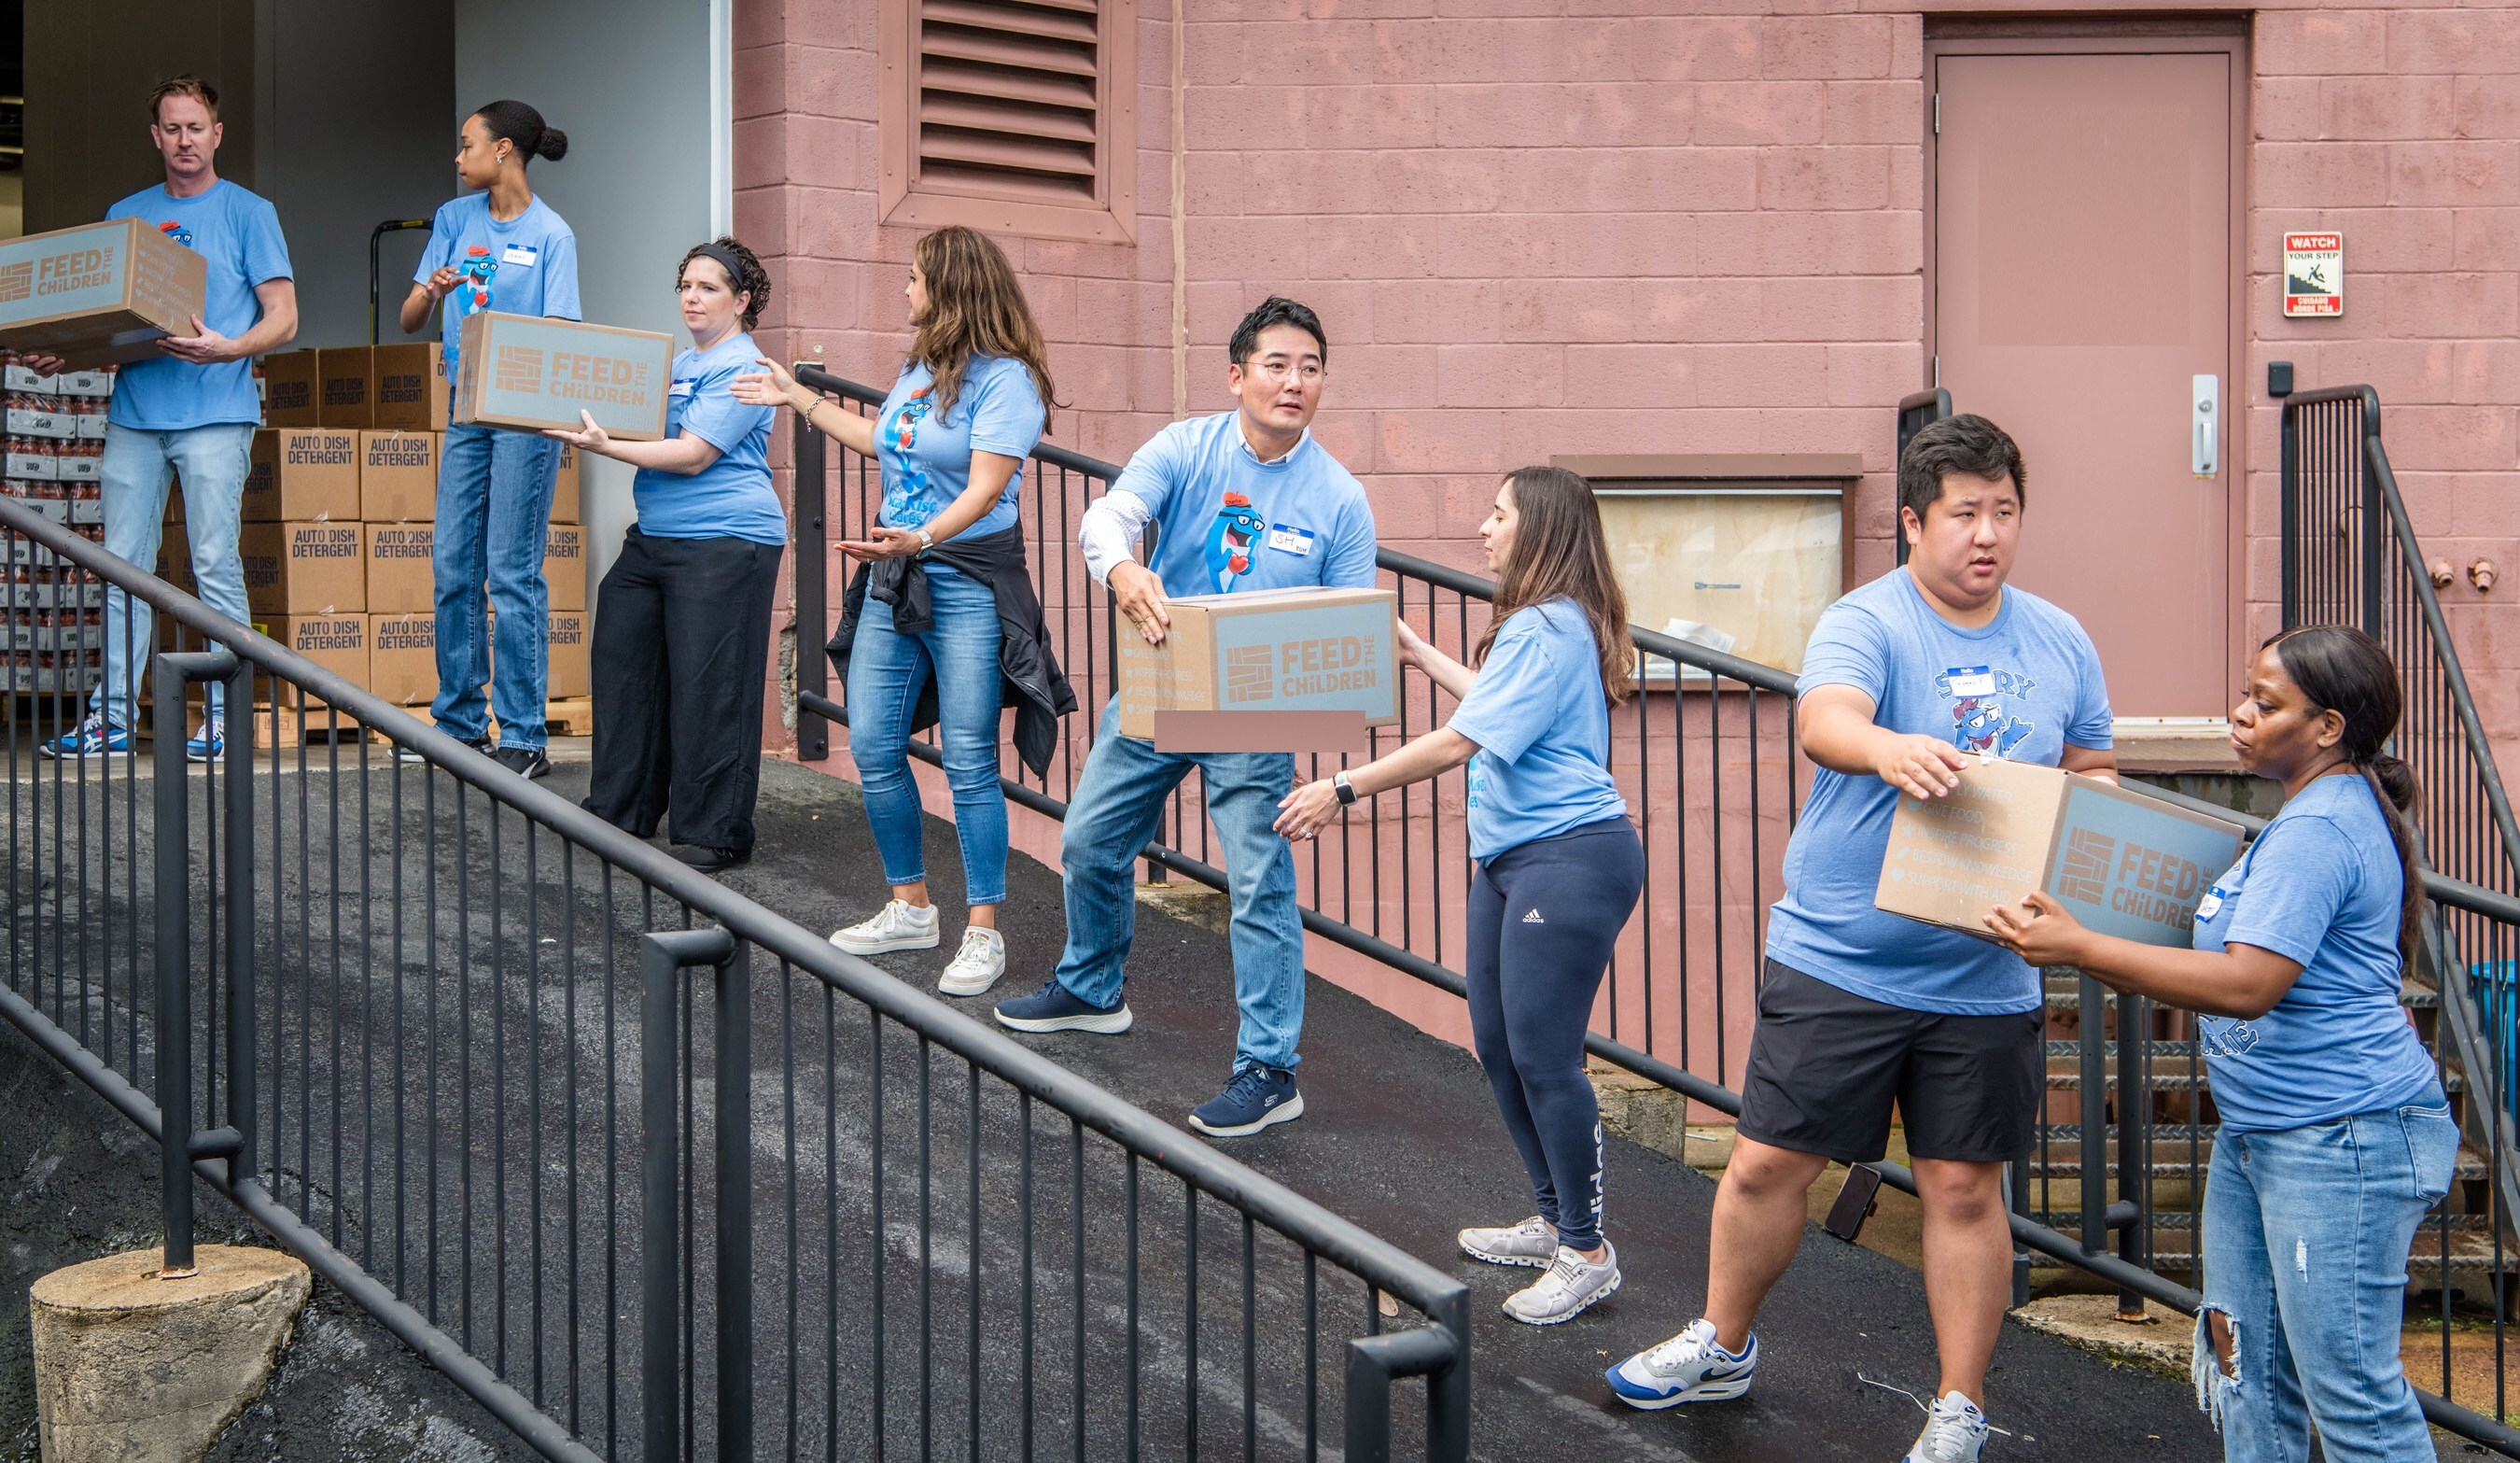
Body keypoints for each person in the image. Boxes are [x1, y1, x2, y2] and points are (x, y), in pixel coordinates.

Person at [1605, 415, 2117, 1463]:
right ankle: (1724, 1340)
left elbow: (2094, 765)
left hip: (1986, 973)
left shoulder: (2060, 638)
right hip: (1844, 957)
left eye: (2005, 511)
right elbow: (1823, 718)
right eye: (1965, 513)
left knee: (1966, 1189)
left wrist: (2084, 837)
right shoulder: (1868, 620)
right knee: (1762, 1166)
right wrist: (1888, 748)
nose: (1987, 534)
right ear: (1916, 521)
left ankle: (1959, 1405)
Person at [1986, 626, 2455, 1463]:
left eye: (2265, 704)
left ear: (2328, 727)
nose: (2239, 715)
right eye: (2246, 693)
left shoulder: (2320, 831)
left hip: (2339, 1139)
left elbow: (2248, 984)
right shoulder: (2302, 817)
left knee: (2351, 1399)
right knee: (2245, 1366)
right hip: (2265, 1137)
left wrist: (2082, 947)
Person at [991, 297, 1375, 1138]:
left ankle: (1269, 1069)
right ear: (1236, 374)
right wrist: (1124, 571)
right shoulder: (1187, 447)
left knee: (1257, 883)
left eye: (1310, 368)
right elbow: (1108, 516)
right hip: (1164, 677)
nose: (1294, 382)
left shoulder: (1340, 499)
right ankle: (1092, 987)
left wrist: (1312, 729)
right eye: (1276, 365)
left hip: (1256, 709)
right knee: (1090, 838)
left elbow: (1346, 628)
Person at [1277, 465, 1643, 1324]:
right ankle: (1555, 1218)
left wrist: (1343, 789)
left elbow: (1460, 742)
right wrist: (1415, 650)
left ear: (1540, 529)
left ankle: (1587, 1248)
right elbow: (1496, 709)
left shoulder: (1550, 627)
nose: (1484, 528)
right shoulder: (1540, 627)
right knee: (1498, 1042)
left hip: (1570, 856)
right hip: (1516, 857)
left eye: (1499, 513)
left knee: (1546, 1055)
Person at [732, 226, 1073, 997]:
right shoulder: (922, 370)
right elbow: (883, 440)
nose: (906, 290)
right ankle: (909, 904)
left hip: (965, 578)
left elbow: (986, 489)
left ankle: (982, 930)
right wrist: (797, 397)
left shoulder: (1007, 381)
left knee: (969, 759)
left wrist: (918, 535)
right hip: (899, 574)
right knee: (877, 744)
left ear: (951, 289)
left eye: (917, 279)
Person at [39, 74, 296, 762]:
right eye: (171, 128)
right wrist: (67, 353)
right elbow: (112, 317)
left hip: (217, 413)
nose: (184, 140)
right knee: (122, 567)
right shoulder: (128, 211)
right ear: (155, 136)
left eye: (195, 127)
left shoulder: (249, 212)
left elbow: (284, 317)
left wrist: (228, 349)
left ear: (217, 133)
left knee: (213, 563)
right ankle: (114, 717)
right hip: (136, 414)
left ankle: (224, 715)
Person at [551, 239, 783, 871]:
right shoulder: (677, 364)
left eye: (709, 287)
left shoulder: (747, 369)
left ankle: (715, 830)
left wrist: (600, 446)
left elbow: (693, 453)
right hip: (656, 538)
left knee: (711, 685)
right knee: (625, 662)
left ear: (742, 301)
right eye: (686, 284)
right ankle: (620, 810)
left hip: (728, 540)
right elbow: (633, 422)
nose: (692, 296)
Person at [396, 100, 579, 780]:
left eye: (466, 143)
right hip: (465, 407)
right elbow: (413, 317)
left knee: (510, 569)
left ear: (503, 150)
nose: (458, 155)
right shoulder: (452, 220)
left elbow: (560, 335)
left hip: (525, 417)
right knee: (451, 566)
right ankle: (460, 723)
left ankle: (526, 735)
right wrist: (434, 291)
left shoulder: (553, 235)